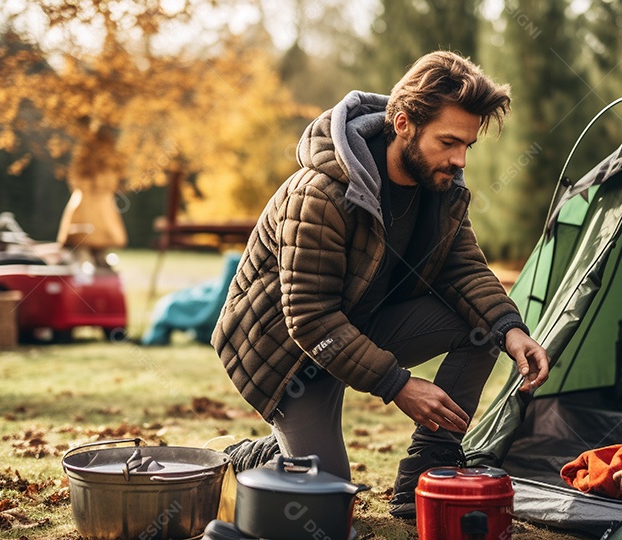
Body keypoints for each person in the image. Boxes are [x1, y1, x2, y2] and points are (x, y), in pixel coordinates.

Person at [211, 50, 550, 519]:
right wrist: (399, 385)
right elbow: (309, 320)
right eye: (449, 141)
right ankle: (252, 457)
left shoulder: (441, 188)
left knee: (482, 326)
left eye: (467, 146)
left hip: (360, 324)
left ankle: (424, 478)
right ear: (403, 122)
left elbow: (464, 270)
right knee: (326, 507)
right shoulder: (319, 194)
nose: (459, 159)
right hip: (287, 351)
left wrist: (512, 330)